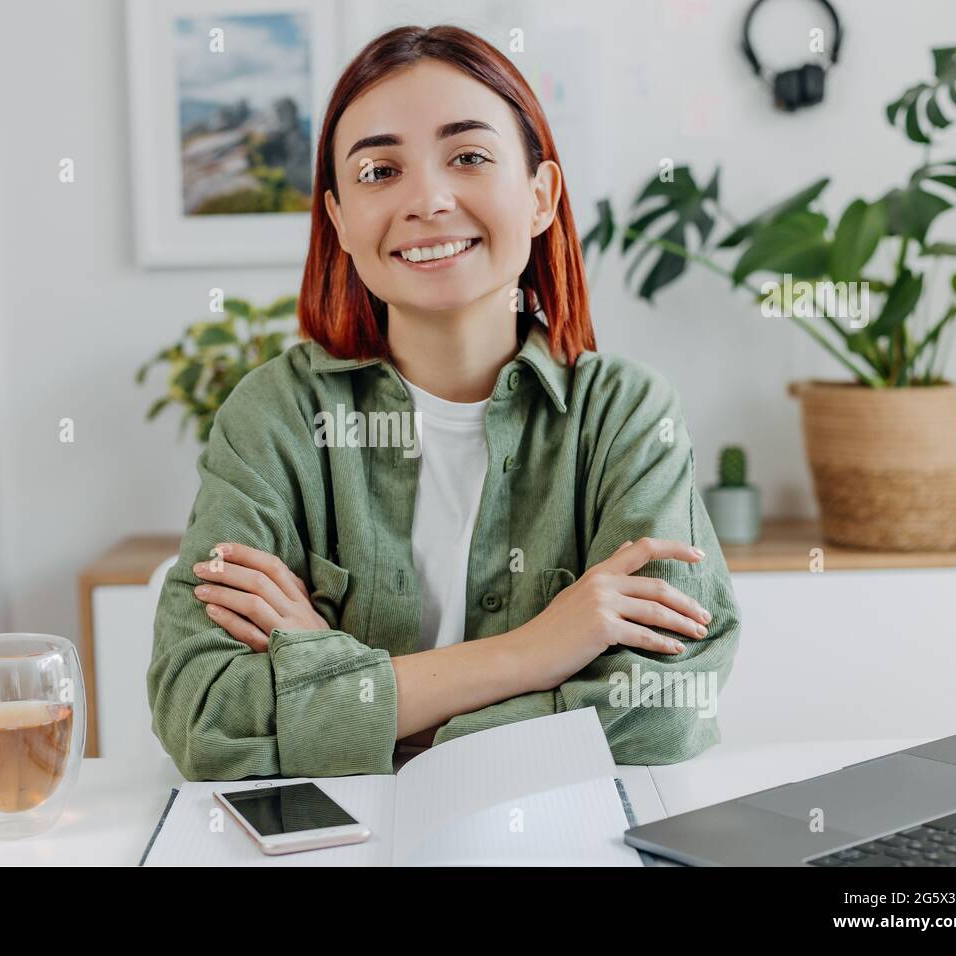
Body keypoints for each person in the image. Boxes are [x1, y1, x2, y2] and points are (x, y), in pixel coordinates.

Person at [147, 24, 740, 782]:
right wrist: (532, 654)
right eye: (379, 171)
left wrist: (352, 701)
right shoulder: (274, 418)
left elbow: (662, 707)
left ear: (540, 196)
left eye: (468, 156)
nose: (426, 199)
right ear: (339, 222)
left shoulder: (627, 416)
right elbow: (202, 714)